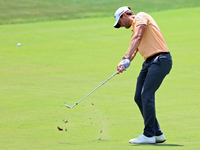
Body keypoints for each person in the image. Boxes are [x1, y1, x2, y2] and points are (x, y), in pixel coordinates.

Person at [113, 6, 172, 144]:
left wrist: (126, 57)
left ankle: (148, 134)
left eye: (119, 22)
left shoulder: (141, 17)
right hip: (149, 63)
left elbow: (138, 37)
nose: (120, 26)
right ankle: (157, 133)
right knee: (139, 96)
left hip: (160, 59)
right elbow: (135, 48)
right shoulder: (135, 29)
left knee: (146, 94)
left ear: (124, 15)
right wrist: (124, 61)